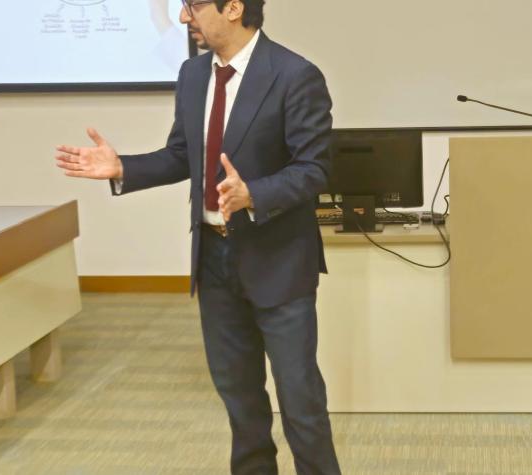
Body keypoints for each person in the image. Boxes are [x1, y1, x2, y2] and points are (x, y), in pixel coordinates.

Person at [55, 1, 341, 473]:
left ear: (234, 8)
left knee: (299, 399)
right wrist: (123, 167)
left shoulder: (295, 75)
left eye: (192, 5)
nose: (183, 17)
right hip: (212, 256)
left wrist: (254, 194)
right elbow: (180, 155)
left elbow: (313, 169)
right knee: (240, 399)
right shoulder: (192, 75)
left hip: (278, 259)